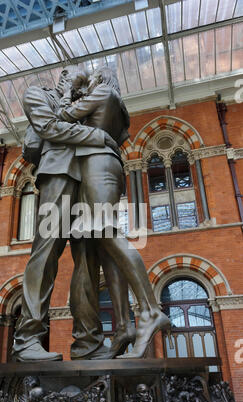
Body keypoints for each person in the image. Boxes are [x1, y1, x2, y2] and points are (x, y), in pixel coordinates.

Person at [58, 66, 172, 359]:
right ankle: (123, 325)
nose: (90, 80)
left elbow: (63, 118)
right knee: (105, 246)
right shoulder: (118, 107)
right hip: (109, 166)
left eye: (93, 76)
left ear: (101, 79)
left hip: (96, 166)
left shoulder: (101, 92)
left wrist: (69, 91)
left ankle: (148, 310)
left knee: (107, 232)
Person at [12, 67, 120, 362]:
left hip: (88, 179)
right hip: (57, 173)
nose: (83, 86)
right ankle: (27, 339)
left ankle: (89, 343)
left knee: (88, 260)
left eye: (87, 83)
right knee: (46, 252)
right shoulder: (38, 94)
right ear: (62, 75)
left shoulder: (81, 106)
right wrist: (97, 137)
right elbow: (48, 128)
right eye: (79, 79)